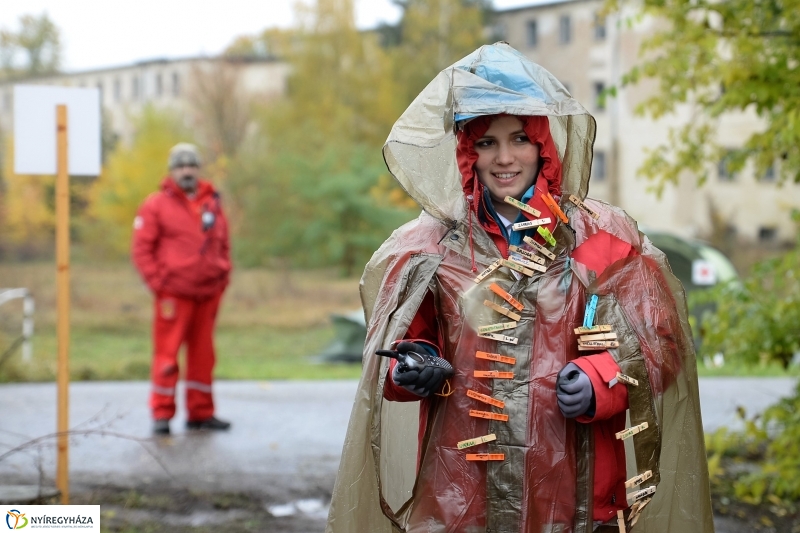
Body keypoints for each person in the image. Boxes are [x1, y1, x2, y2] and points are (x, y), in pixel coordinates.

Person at [326, 44, 714, 532]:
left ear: (542, 145)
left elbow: (661, 340)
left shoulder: (597, 238)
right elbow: (409, 342)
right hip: (463, 493)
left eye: (519, 139)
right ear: (467, 149)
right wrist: (414, 369)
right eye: (486, 142)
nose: (504, 158)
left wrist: (603, 380)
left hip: (575, 490)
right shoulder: (435, 246)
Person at [132, 143, 232, 436]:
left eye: (191, 165)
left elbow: (222, 244)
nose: (186, 170)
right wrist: (159, 285)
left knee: (203, 356)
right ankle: (162, 414)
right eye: (180, 165)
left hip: (208, 294)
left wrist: (222, 277)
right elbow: (141, 250)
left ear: (198, 169)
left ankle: (200, 413)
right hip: (173, 296)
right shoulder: (155, 205)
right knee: (167, 355)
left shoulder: (212, 202)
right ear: (172, 171)